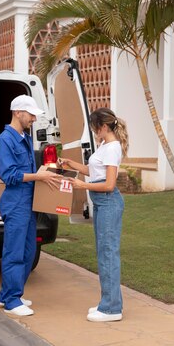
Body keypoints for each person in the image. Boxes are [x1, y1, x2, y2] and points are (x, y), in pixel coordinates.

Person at [57, 108, 129, 322]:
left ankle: (111, 309)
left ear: (103, 127)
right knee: (104, 253)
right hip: (101, 204)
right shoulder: (105, 145)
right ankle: (110, 302)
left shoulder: (112, 148)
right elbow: (92, 170)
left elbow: (109, 184)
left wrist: (81, 185)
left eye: (94, 128)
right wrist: (70, 164)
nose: (94, 132)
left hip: (108, 203)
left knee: (108, 255)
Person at [0, 94, 61, 316]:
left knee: (28, 251)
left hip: (28, 202)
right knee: (14, 252)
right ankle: (13, 300)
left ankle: (8, 295)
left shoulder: (24, 136)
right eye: (31, 114)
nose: (34, 118)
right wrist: (38, 176)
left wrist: (42, 173)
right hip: (16, 203)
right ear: (17, 112)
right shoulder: (5, 140)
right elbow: (9, 175)